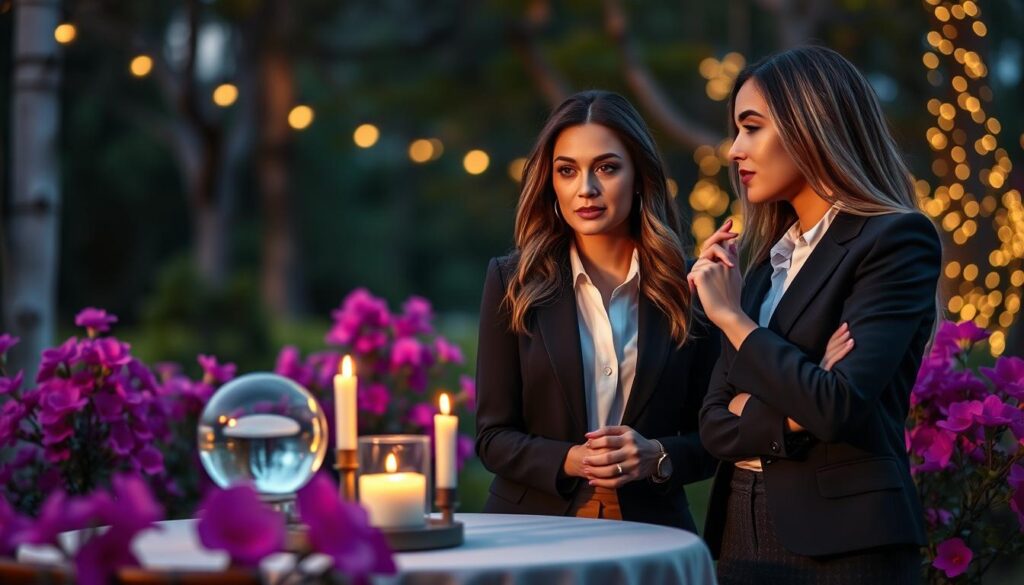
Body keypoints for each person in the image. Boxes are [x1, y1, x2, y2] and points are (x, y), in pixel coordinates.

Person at [690, 45, 940, 584]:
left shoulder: (895, 239)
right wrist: (801, 394)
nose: (734, 150)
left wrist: (734, 320)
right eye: (736, 130)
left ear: (812, 124)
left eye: (751, 127)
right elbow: (712, 425)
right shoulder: (762, 263)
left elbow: (836, 406)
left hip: (846, 545)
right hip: (739, 532)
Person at [474, 90, 718, 530]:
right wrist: (570, 458)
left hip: (651, 533)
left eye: (606, 168)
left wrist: (657, 456)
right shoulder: (512, 283)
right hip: (531, 529)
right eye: (567, 171)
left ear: (639, 175)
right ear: (551, 182)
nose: (586, 189)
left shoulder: (690, 287)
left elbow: (717, 435)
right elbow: (492, 438)